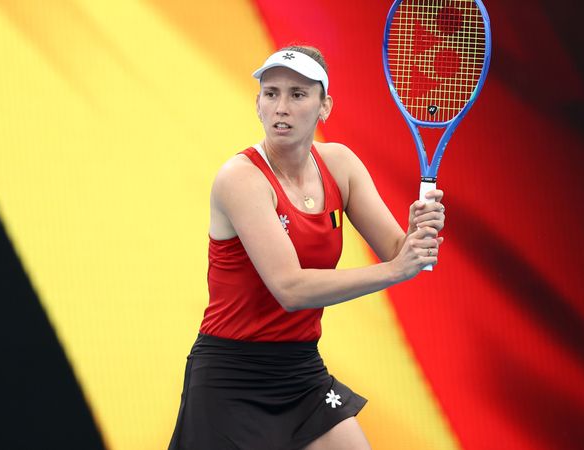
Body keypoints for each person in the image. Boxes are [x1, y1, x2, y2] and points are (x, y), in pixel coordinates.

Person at [169, 45, 445, 450]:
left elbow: (396, 249)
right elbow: (291, 289)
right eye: (271, 93)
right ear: (258, 105)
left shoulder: (340, 164)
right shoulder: (240, 178)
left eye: (298, 94)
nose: (281, 106)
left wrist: (419, 232)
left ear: (324, 106)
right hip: (231, 376)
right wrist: (396, 269)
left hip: (301, 371)